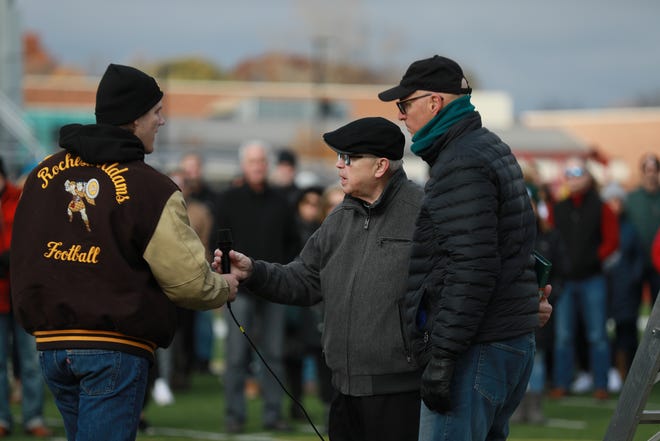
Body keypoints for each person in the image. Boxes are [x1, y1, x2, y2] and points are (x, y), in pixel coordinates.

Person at [9, 63, 238, 441]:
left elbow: (24, 256)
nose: (162, 121)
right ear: (134, 119)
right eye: (156, 112)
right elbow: (189, 284)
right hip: (113, 348)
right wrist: (224, 286)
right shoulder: (151, 188)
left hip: (52, 346)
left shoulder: (41, 175)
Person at [222, 117, 426, 441]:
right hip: (343, 391)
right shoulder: (340, 217)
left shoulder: (423, 213)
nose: (338, 165)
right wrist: (254, 272)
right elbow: (305, 278)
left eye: (348, 158)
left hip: (401, 393)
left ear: (380, 166)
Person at [378, 55, 543, 441]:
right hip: (503, 338)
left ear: (434, 103)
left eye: (404, 104)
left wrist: (444, 355)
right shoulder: (485, 146)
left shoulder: (462, 160)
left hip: (478, 346)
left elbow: (472, 266)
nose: (401, 116)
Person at [216, 140, 300, 433]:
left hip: (273, 289)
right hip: (239, 292)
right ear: (244, 165)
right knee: (236, 355)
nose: (258, 166)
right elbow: (217, 244)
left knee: (274, 355)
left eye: (262, 161)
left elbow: (293, 243)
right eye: (253, 161)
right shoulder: (228, 200)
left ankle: (273, 414)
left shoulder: (281, 202)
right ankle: (234, 415)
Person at [549, 158, 619, 401]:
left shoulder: (601, 206)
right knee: (564, 335)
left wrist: (593, 258)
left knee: (597, 335)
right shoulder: (559, 207)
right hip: (566, 281)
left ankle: (601, 384)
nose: (574, 177)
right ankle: (562, 383)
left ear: (589, 177)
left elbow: (612, 241)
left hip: (593, 279)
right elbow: (551, 238)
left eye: (578, 173)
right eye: (569, 173)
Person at [0, 159, 52, 437]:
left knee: (32, 361)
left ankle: (33, 418)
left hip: (24, 294)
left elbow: (37, 239)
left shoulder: (20, 199)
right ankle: (2, 418)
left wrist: (15, 257)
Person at [601, 181, 645, 382]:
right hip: (605, 287)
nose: (614, 204)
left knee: (627, 331)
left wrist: (633, 279)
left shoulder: (630, 229)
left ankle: (631, 372)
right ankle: (609, 370)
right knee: (603, 332)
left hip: (626, 288)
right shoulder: (600, 227)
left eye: (617, 200)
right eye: (610, 200)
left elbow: (639, 257)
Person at [624, 153, 660, 304]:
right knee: (631, 306)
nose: (650, 174)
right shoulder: (632, 198)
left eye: (654, 169)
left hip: (658, 263)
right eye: (647, 169)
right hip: (636, 261)